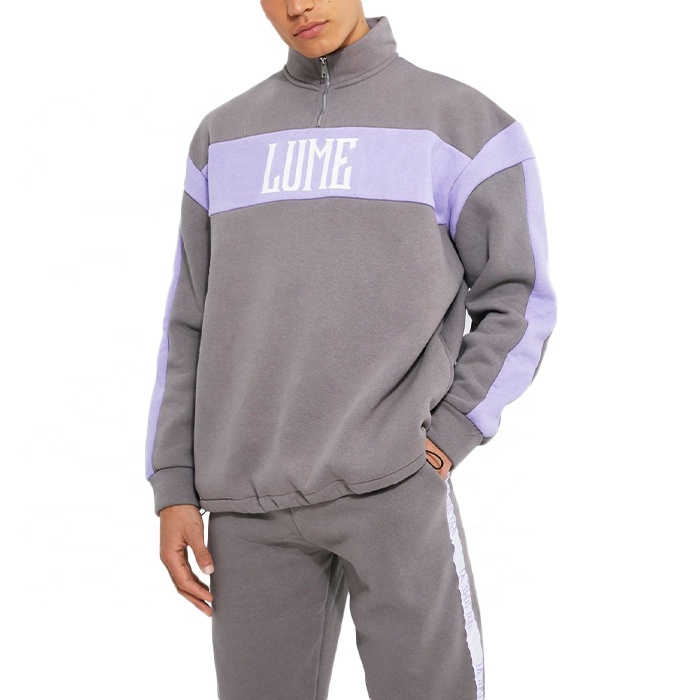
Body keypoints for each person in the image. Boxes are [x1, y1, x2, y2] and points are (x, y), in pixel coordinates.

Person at [144, 1, 556, 698]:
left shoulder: (461, 124)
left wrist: (454, 428)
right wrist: (174, 485)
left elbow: (520, 298)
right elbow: (190, 322)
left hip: (394, 484)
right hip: (246, 500)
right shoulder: (222, 138)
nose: (297, 6)